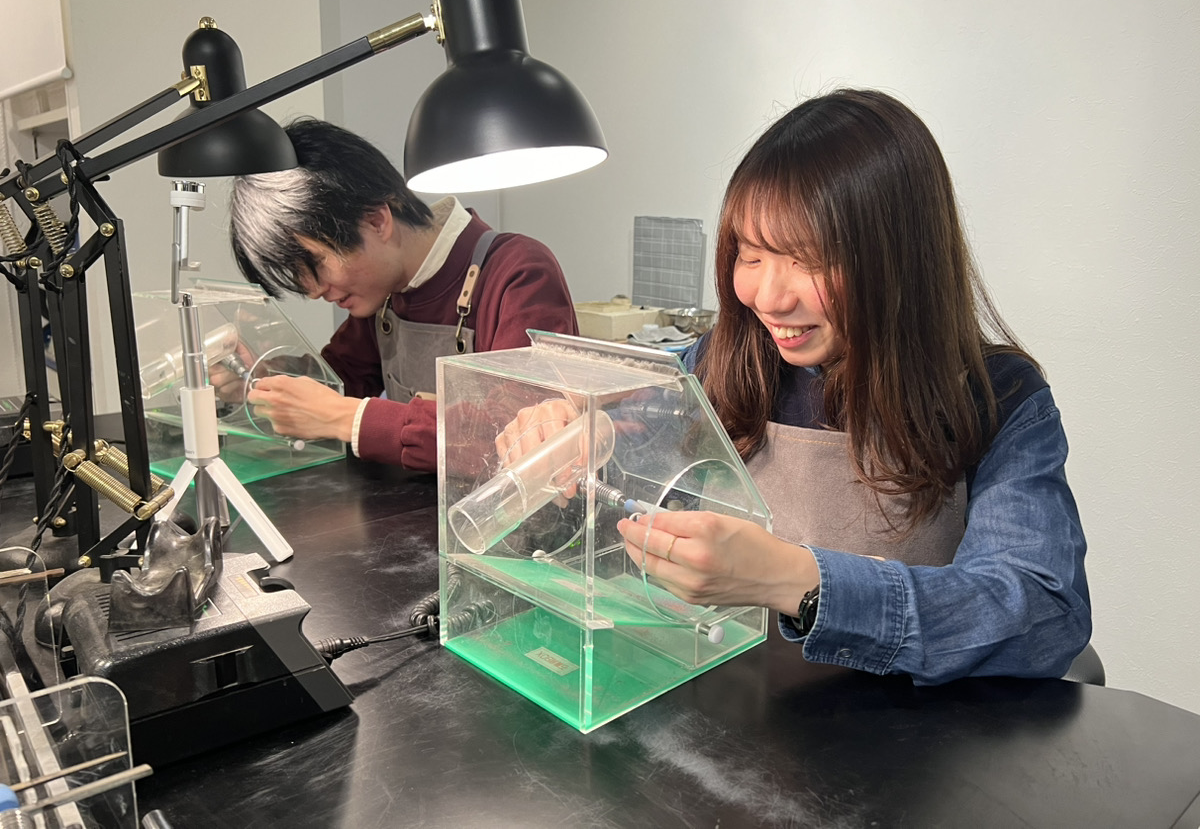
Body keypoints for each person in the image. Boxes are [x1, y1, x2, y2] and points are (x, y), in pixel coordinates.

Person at [498, 89, 1090, 684]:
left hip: (906, 731)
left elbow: (1042, 616)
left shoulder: (999, 399)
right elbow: (624, 448)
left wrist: (795, 581)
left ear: (900, 261)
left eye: (809, 260)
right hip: (736, 708)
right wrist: (567, 438)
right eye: (751, 257)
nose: (770, 299)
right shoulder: (724, 363)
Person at [223, 117, 579, 472]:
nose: (314, 291)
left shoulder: (519, 271)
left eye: (316, 263)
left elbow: (519, 438)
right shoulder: (384, 296)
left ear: (377, 221)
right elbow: (338, 381)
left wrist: (349, 418)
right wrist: (259, 381)